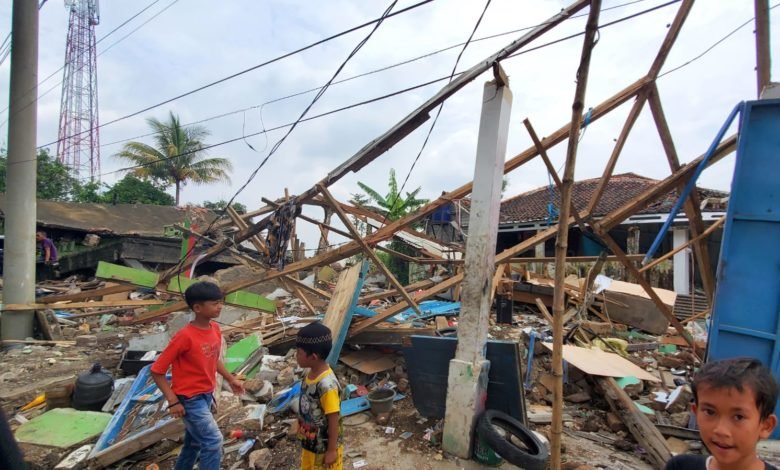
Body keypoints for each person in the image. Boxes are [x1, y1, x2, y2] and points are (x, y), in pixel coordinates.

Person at [150, 281, 245, 470]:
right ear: (197, 308)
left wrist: (231, 379)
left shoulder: (215, 329)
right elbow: (157, 370)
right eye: (214, 303)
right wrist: (173, 400)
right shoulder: (184, 336)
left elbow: (213, 358)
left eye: (220, 302)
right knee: (213, 441)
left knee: (194, 442)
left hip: (206, 394)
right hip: (189, 398)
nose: (220, 307)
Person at [665, 357, 778, 470]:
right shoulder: (680, 467)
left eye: (738, 417)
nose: (721, 430)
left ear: (766, 426)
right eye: (710, 412)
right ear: (696, 413)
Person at [295, 322, 343, 470]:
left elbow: (334, 419)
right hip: (311, 443)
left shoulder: (327, 386)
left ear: (313, 357)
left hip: (323, 449)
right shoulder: (308, 374)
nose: (296, 356)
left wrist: (331, 450)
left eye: (298, 352)